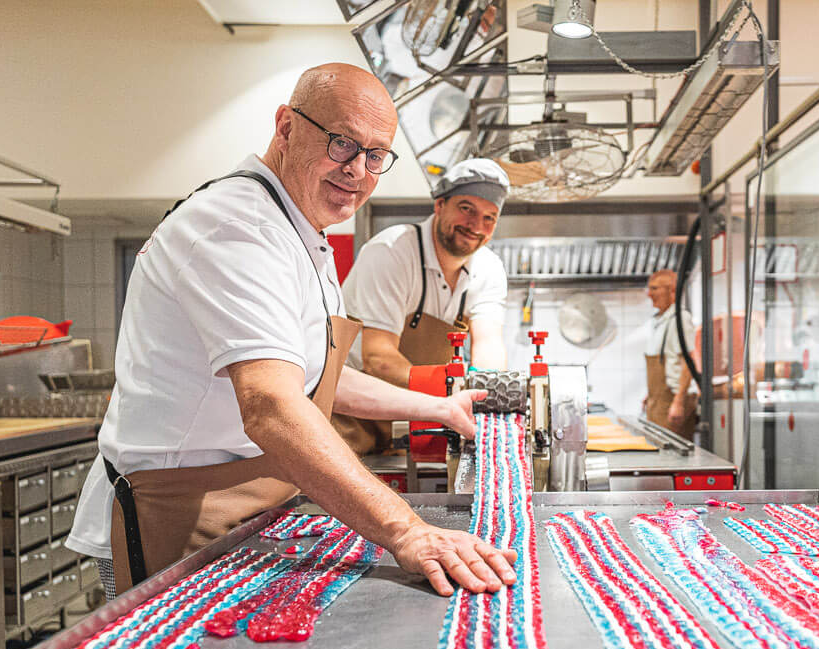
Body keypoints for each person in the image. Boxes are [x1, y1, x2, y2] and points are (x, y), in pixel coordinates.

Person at [67, 63, 515, 601]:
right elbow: (272, 404)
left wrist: (438, 409)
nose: (358, 170)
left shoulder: (301, 232)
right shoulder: (238, 227)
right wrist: (405, 529)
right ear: (286, 127)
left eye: (376, 156)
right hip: (174, 510)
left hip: (247, 505)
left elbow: (318, 377)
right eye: (343, 143)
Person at [334, 158, 510, 453]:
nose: (476, 225)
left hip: (419, 419)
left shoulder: (489, 268)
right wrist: (447, 395)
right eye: (466, 209)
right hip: (353, 417)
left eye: (489, 217)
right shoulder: (391, 253)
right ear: (440, 205)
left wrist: (486, 393)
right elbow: (378, 359)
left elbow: (489, 345)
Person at [642, 269, 698, 440]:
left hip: (672, 400)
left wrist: (678, 402)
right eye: (649, 289)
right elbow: (668, 364)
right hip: (659, 400)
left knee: (671, 455)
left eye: (655, 289)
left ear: (672, 291)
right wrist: (650, 395)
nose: (649, 294)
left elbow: (687, 363)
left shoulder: (680, 319)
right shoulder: (661, 321)